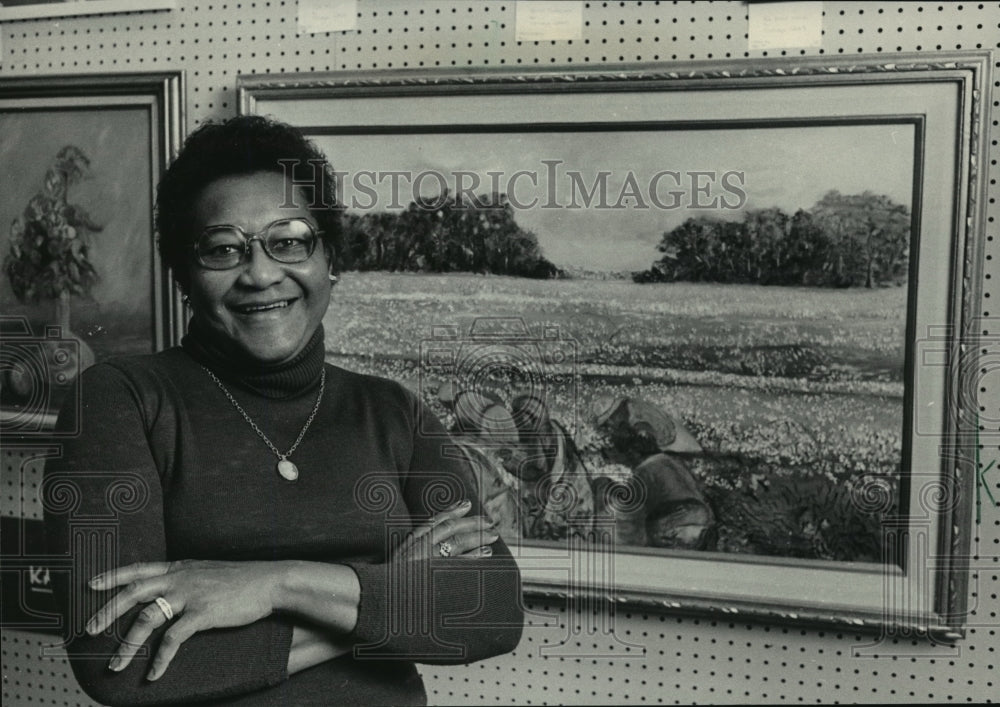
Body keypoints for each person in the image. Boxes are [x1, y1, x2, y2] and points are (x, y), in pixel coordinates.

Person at [42, 115, 524, 706]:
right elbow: (115, 658)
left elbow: (491, 610)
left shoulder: (392, 411)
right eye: (223, 249)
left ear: (330, 260)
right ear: (184, 278)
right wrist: (385, 592)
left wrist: (274, 584)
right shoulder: (120, 400)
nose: (262, 274)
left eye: (290, 240)